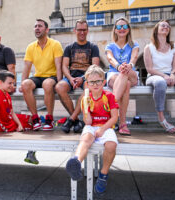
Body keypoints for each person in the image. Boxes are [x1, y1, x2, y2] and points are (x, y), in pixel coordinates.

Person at [66, 65, 118, 195]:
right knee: (85, 139)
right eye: (91, 82)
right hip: (91, 126)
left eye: (98, 81)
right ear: (87, 84)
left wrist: (102, 129)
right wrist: (87, 108)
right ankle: (76, 162)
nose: (95, 84)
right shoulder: (86, 99)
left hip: (106, 126)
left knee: (111, 145)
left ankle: (103, 175)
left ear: (103, 82)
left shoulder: (109, 96)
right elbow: (88, 122)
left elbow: (114, 117)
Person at [144, 20, 175, 133]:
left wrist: (172, 74)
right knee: (160, 83)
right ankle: (162, 118)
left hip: (170, 74)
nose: (166, 27)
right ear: (156, 29)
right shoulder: (149, 47)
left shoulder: (174, 46)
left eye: (168, 26)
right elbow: (149, 69)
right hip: (154, 76)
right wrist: (164, 76)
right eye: (163, 25)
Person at [55, 19, 100, 134]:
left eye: (84, 30)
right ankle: (76, 121)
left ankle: (71, 119)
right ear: (75, 31)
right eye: (79, 30)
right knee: (59, 87)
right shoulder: (69, 48)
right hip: (71, 77)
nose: (82, 32)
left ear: (87, 31)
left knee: (87, 91)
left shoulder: (93, 47)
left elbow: (95, 66)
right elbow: (64, 66)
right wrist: (70, 78)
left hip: (87, 77)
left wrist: (83, 78)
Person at [20, 19, 63, 131]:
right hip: (38, 76)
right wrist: (22, 83)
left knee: (47, 84)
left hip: (52, 76)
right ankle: (35, 118)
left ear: (47, 30)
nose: (37, 28)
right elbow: (27, 67)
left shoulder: (55, 44)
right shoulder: (30, 47)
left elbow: (59, 66)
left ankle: (49, 119)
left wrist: (60, 82)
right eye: (35, 26)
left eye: (40, 26)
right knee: (25, 84)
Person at [105, 17, 139, 136]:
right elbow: (110, 58)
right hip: (115, 74)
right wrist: (119, 66)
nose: (122, 29)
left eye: (125, 26)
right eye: (119, 27)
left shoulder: (134, 44)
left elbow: (134, 57)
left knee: (126, 75)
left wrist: (129, 65)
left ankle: (108, 110)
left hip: (131, 73)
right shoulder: (110, 46)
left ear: (129, 29)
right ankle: (123, 123)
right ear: (115, 30)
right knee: (126, 84)